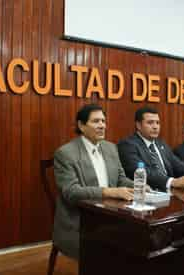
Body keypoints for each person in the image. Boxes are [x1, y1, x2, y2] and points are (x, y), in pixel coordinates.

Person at [53, 104, 134, 259]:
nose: (102, 125)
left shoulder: (111, 148)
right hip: (80, 221)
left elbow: (120, 179)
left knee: (140, 241)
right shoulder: (65, 153)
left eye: (103, 121)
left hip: (112, 216)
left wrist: (139, 186)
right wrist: (108, 192)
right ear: (81, 125)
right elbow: (71, 192)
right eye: (96, 121)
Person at [117, 106, 184, 191]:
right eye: (150, 123)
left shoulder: (161, 144)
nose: (155, 127)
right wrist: (171, 181)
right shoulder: (127, 145)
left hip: (169, 192)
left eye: (157, 123)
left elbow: (179, 166)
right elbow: (141, 172)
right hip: (147, 193)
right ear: (138, 125)